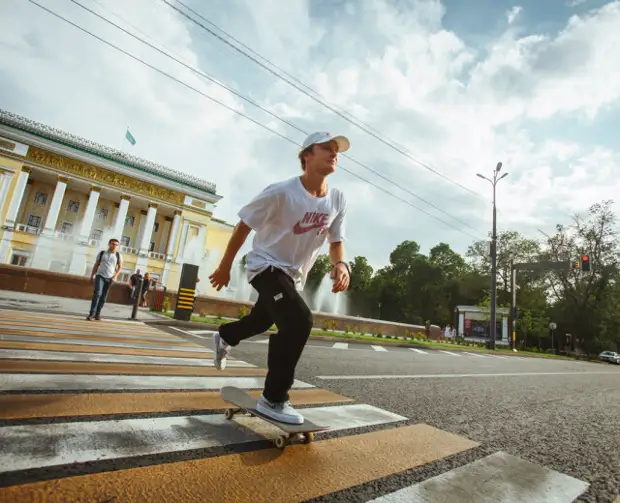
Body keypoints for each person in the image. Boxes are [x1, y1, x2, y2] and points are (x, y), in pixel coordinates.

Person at [208, 131, 352, 425]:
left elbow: (336, 241)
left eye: (337, 150)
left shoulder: (337, 199)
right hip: (266, 265)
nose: (334, 153)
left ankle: (225, 335)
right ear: (306, 156)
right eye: (327, 148)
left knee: (261, 320)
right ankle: (273, 398)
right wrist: (225, 266)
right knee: (299, 320)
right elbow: (243, 225)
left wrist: (341, 264)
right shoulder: (281, 192)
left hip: (292, 275)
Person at [87, 238, 122, 320]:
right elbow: (96, 265)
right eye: (113, 244)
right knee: (97, 294)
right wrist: (92, 275)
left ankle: (97, 314)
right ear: (109, 244)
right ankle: (92, 313)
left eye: (116, 245)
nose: (114, 246)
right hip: (100, 276)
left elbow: (120, 267)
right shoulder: (102, 253)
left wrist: (115, 276)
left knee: (103, 297)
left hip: (110, 278)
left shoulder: (118, 255)